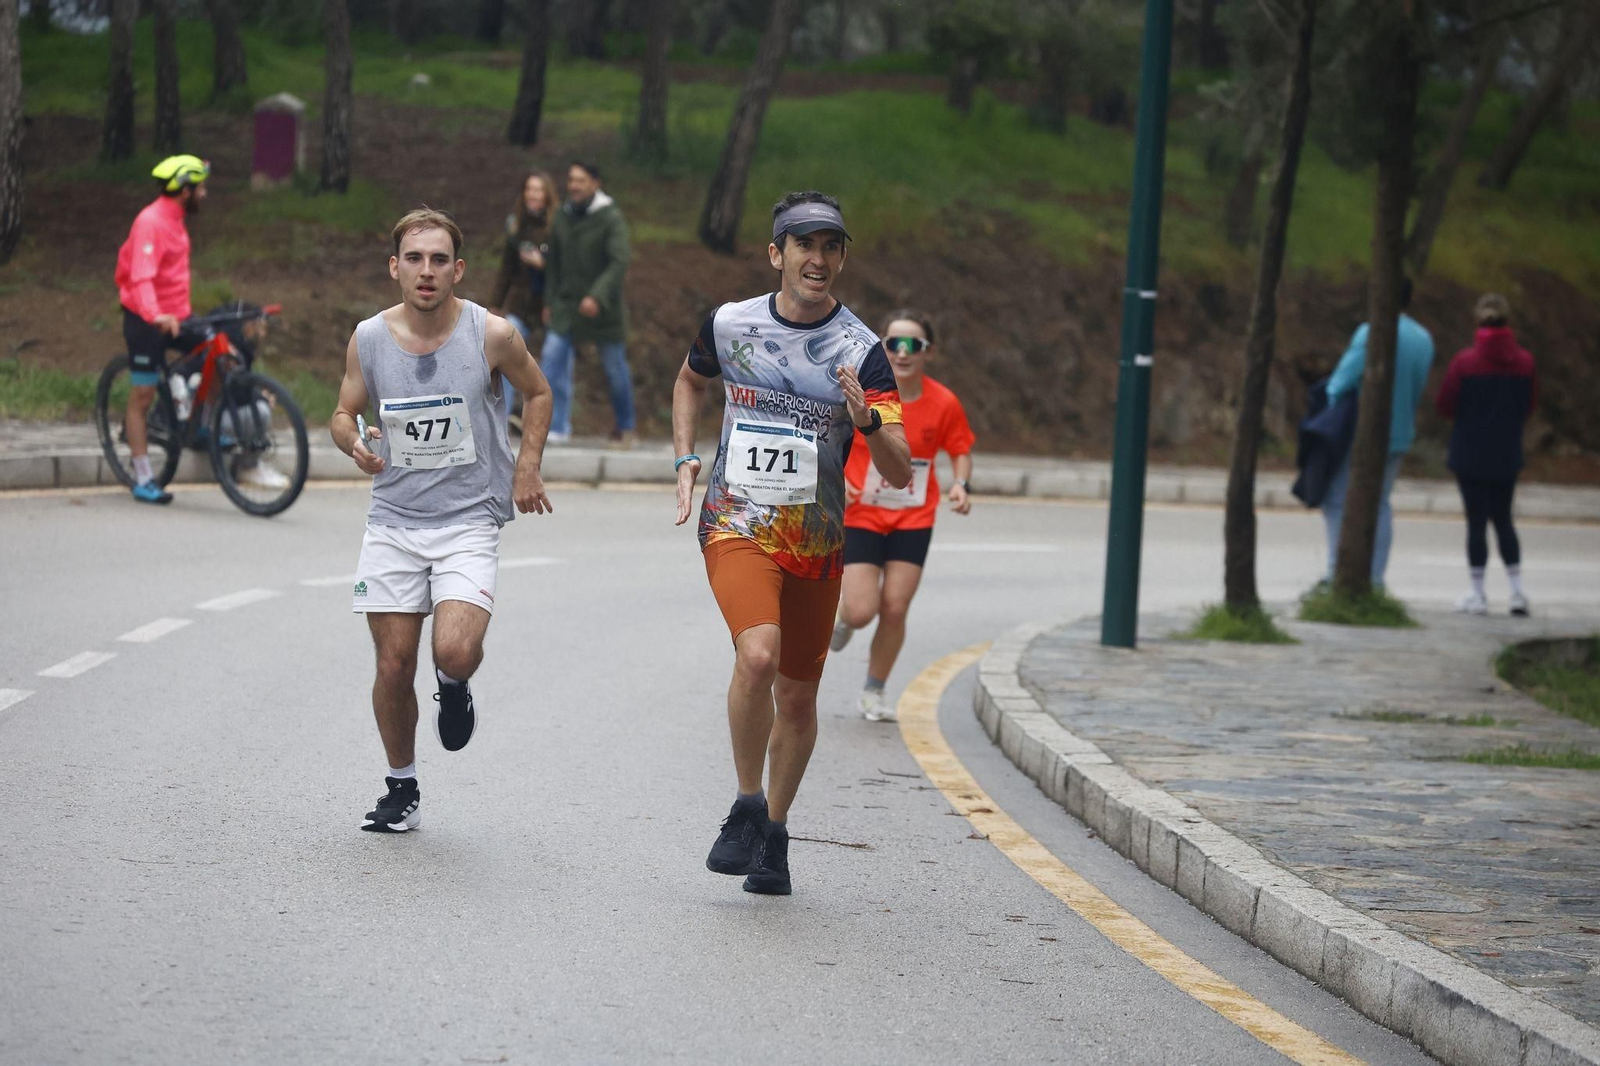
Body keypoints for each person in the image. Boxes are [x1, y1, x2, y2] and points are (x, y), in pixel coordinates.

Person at [672, 191, 912, 896]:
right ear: (777, 254)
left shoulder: (862, 351)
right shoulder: (729, 323)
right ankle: (746, 805)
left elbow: (898, 463)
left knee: (799, 699)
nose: (819, 259)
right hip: (735, 522)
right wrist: (685, 457)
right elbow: (689, 383)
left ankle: (775, 834)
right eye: (804, 245)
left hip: (816, 540)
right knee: (758, 654)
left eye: (831, 247)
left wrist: (867, 422)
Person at [330, 208, 555, 833]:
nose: (425, 271)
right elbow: (344, 412)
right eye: (413, 258)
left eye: (438, 260)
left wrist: (526, 466)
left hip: (467, 521)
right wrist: (354, 444)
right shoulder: (369, 338)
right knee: (393, 665)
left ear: (457, 270)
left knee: (453, 650)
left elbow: (539, 393)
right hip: (395, 519)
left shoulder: (492, 335)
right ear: (394, 267)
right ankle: (401, 786)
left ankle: (453, 684)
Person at [830, 309, 976, 721]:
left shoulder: (943, 402)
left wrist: (961, 484)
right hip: (863, 513)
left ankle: (874, 692)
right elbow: (827, 436)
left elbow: (960, 449)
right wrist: (838, 479)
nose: (903, 353)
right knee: (861, 610)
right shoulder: (863, 392)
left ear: (928, 352)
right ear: (881, 345)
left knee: (894, 607)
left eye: (914, 345)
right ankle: (843, 619)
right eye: (894, 343)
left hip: (913, 517)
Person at [1319, 278, 1435, 585]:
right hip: (1399, 434)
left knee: (1336, 499)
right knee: (1380, 503)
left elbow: (1341, 382)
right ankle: (1375, 579)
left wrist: (1329, 404)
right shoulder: (1423, 338)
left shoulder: (1372, 332)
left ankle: (1336, 573)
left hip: (1361, 432)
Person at [114, 154, 211, 504]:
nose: (204, 193)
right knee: (142, 395)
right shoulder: (150, 222)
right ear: (184, 190)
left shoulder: (176, 218)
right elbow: (141, 277)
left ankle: (198, 425)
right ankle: (142, 477)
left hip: (175, 315)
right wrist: (156, 316)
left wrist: (178, 315)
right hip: (145, 318)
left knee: (217, 349)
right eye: (200, 187)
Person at [1435, 293, 1538, 616]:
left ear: (1477, 322)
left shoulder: (1464, 363)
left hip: (1470, 451)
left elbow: (1445, 404)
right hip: (1506, 450)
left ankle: (1478, 594)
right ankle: (1518, 592)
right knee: (1504, 519)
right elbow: (1530, 405)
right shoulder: (1525, 363)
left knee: (1476, 523)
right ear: (1508, 322)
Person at [540, 161, 635, 447]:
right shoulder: (561, 216)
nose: (574, 186)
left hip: (603, 309)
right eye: (571, 180)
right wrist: (549, 301)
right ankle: (548, 427)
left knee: (615, 368)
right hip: (567, 307)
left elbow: (619, 261)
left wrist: (597, 295)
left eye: (580, 180)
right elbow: (553, 264)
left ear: (595, 183)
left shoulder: (610, 218)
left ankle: (626, 427)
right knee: (549, 361)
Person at [488, 171, 555, 430]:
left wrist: (543, 264)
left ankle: (548, 420)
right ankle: (502, 418)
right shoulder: (516, 226)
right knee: (505, 349)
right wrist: (496, 303)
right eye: (529, 189)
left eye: (538, 190)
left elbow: (565, 269)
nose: (533, 195)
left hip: (549, 303)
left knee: (554, 359)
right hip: (520, 302)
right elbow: (506, 268)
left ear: (547, 195)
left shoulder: (556, 227)